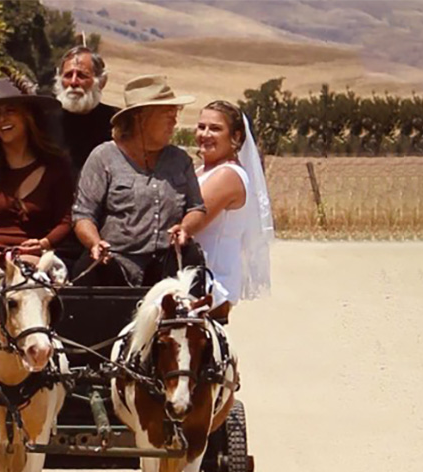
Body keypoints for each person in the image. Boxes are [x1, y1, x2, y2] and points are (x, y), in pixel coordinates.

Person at [71, 74, 207, 288]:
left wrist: (185, 228)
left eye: (175, 113)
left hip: (167, 265)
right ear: (141, 117)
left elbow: (197, 208)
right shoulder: (104, 158)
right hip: (113, 263)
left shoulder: (180, 160)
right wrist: (95, 242)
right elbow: (83, 214)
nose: (174, 120)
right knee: (88, 275)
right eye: (167, 113)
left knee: (192, 262)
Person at [0, 69, 75, 275]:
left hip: (32, 254)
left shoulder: (57, 166)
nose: (2, 119)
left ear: (29, 116)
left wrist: (43, 243)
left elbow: (65, 220)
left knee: (28, 278)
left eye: (10, 111)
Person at [191, 100, 275, 321]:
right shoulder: (202, 171)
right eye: (201, 127)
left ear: (236, 137)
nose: (205, 134)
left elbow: (191, 220)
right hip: (192, 275)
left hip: (210, 283)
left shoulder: (227, 175)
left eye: (215, 128)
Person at [53, 45, 119, 179]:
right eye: (68, 75)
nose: (73, 82)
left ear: (101, 82)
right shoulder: (43, 117)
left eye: (82, 75)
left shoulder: (118, 122)